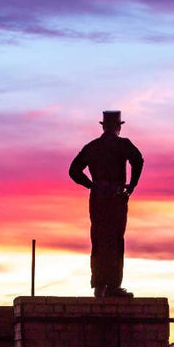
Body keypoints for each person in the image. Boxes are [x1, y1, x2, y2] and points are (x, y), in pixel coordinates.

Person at [68, 110, 144, 298]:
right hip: (116, 198)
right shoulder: (123, 145)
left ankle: (99, 285)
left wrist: (92, 185)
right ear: (118, 126)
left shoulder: (92, 146)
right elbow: (138, 161)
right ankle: (112, 286)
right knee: (115, 240)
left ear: (103, 126)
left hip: (98, 199)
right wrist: (131, 186)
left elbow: (74, 170)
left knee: (99, 239)